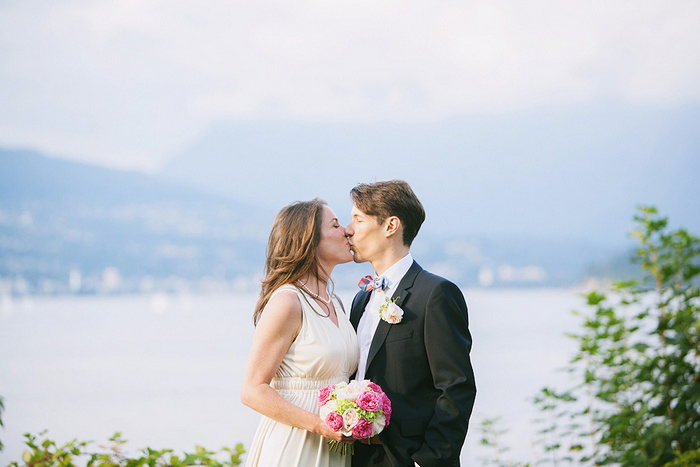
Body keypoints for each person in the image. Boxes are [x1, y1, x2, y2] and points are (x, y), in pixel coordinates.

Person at [345, 180, 476, 467]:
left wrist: (428, 460)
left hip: (408, 457)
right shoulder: (360, 299)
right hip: (358, 458)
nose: (348, 229)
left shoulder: (435, 294)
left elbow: (457, 387)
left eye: (358, 219)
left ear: (391, 226)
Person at [241, 198, 360, 467]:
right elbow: (252, 389)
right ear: (310, 240)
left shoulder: (336, 303)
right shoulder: (288, 301)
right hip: (295, 444)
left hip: (335, 447)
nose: (347, 231)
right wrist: (319, 425)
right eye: (336, 225)